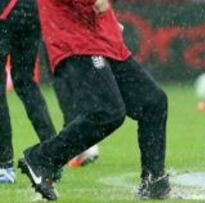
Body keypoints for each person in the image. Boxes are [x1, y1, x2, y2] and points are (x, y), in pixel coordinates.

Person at [18, 0, 170, 200]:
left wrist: (109, 23)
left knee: (153, 102)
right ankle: (42, 158)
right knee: (107, 112)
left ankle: (153, 181)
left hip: (104, 38)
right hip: (76, 40)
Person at [0, 0, 57, 183]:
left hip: (5, 11)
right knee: (25, 82)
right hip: (33, 10)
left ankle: (4, 165)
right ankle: (54, 156)